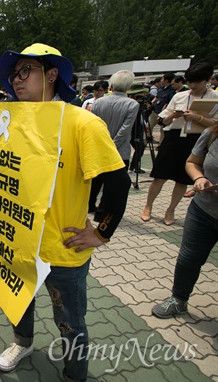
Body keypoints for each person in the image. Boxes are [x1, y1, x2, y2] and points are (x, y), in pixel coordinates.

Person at [0, 43, 131, 382]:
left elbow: (119, 183)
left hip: (63, 249)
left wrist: (101, 233)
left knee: (70, 321)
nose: (16, 80)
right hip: (19, 238)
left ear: (51, 75)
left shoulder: (82, 123)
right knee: (17, 299)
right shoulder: (13, 119)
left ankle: (75, 374)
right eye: (13, 74)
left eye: (25, 72)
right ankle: (22, 342)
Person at [151, 122, 218, 318]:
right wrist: (198, 179)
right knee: (188, 259)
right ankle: (179, 299)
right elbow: (192, 162)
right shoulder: (212, 133)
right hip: (203, 211)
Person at [141, 62, 218, 226]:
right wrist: (175, 116)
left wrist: (198, 118)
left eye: (197, 82)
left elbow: (215, 125)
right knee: (159, 176)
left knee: (182, 179)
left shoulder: (214, 98)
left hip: (196, 140)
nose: (192, 85)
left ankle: (171, 210)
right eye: (190, 81)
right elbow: (164, 120)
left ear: (207, 80)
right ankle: (148, 206)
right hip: (174, 137)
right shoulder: (179, 96)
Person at [89, 70, 139, 220]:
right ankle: (102, 213)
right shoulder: (132, 104)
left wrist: (103, 144)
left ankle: (88, 206)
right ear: (129, 86)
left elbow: (92, 125)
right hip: (119, 151)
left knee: (94, 181)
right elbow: (125, 129)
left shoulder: (98, 102)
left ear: (111, 85)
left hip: (98, 148)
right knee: (111, 186)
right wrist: (112, 145)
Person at [149, 73, 176, 144]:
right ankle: (148, 138)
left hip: (164, 112)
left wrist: (163, 113)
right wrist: (151, 103)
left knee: (162, 130)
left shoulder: (172, 90)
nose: (161, 80)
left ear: (167, 80)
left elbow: (168, 103)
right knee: (148, 126)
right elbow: (157, 97)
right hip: (155, 110)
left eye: (162, 78)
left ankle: (161, 144)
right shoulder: (161, 88)